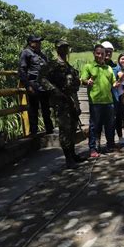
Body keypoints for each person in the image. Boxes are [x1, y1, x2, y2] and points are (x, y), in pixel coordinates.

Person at [38, 40, 84, 169]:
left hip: (71, 100)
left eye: (66, 48)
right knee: (65, 130)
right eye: (62, 48)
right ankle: (68, 158)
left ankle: (73, 154)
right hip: (60, 102)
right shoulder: (52, 65)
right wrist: (54, 90)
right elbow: (41, 78)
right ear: (57, 49)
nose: (64, 50)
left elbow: (75, 83)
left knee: (73, 128)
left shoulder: (69, 67)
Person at [81, 44, 117, 157]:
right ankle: (93, 148)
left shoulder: (109, 68)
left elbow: (113, 83)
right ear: (94, 53)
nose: (100, 55)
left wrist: (120, 81)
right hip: (95, 102)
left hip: (109, 102)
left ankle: (110, 145)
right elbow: (83, 79)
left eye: (102, 53)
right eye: (98, 53)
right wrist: (87, 82)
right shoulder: (88, 66)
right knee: (94, 126)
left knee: (110, 125)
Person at [18, 35, 54, 135]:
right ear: (30, 43)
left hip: (44, 85)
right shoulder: (26, 53)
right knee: (33, 108)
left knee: (46, 108)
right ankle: (34, 132)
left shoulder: (42, 55)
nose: (39, 43)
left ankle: (49, 129)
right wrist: (27, 85)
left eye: (39, 41)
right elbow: (22, 70)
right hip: (33, 84)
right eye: (37, 41)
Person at [112, 53, 124, 146]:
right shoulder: (116, 69)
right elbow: (120, 80)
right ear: (119, 60)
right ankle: (120, 137)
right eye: (122, 59)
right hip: (118, 96)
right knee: (119, 117)